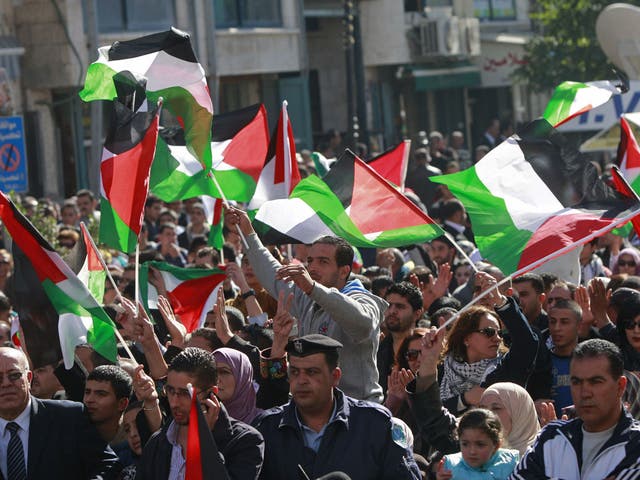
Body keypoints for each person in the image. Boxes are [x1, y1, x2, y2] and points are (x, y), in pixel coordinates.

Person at [226, 206, 387, 402]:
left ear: (344, 271)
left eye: (323, 262)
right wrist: (248, 233)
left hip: (359, 416)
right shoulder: (308, 296)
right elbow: (272, 274)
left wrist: (313, 289)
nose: (313, 268)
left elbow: (363, 323)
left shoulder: (362, 298)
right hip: (314, 410)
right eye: (310, 261)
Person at [255, 334, 421, 479]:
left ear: (335, 377)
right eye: (295, 372)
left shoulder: (375, 425)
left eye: (312, 372)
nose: (301, 381)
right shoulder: (268, 427)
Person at [512, 339, 640, 479]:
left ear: (620, 386)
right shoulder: (551, 437)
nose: (585, 392)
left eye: (596, 382)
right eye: (576, 382)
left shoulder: (636, 443)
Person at [136, 347, 264, 479]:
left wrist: (204, 441)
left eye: (185, 393)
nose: (174, 402)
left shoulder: (245, 441)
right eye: (170, 391)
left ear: (212, 393)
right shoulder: (158, 442)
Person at [0, 346, 121, 478]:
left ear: (29, 378)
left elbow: (108, 464)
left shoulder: (69, 416)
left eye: (14, 375)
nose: (6, 383)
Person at [439, 272, 538, 415]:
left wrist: (500, 301)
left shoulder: (505, 368)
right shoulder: (443, 368)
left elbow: (527, 343)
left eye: (498, 333)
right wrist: (464, 399)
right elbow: (430, 412)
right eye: (489, 332)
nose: (497, 338)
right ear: (466, 338)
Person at [437, 409, 519, 480]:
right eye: (465, 444)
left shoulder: (510, 465)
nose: (472, 451)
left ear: (496, 445)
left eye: (480, 445)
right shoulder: (451, 467)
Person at [377, 282, 423, 394]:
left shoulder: (428, 349)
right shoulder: (377, 350)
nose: (392, 311)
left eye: (400, 306)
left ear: (417, 314)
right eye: (388, 305)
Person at [212, 347, 263, 424]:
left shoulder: (264, 423)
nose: (216, 379)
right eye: (212, 372)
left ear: (242, 377)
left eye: (224, 372)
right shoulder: (197, 418)